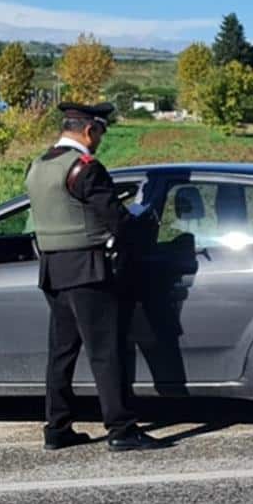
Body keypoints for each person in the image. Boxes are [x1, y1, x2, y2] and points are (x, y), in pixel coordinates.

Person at [24, 102, 168, 452]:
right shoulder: (86, 168)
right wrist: (143, 219)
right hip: (88, 269)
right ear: (90, 130)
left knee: (61, 353)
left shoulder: (38, 165)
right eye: (101, 133)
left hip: (52, 271)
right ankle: (121, 428)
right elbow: (117, 221)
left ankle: (57, 428)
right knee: (105, 351)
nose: (100, 141)